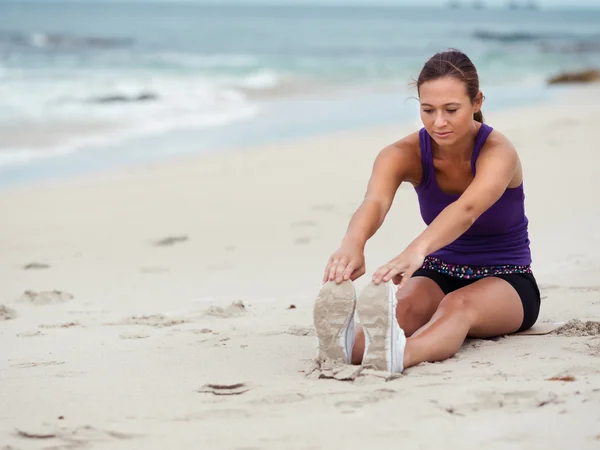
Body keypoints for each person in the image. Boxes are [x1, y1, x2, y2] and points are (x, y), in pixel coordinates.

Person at [313, 49, 541, 374]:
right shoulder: (402, 154)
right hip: (440, 270)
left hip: (507, 279)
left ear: (477, 102)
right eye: (428, 110)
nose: (439, 122)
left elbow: (467, 209)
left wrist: (415, 250)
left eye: (451, 110)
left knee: (457, 305)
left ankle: (399, 356)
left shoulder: (498, 152)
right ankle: (347, 346)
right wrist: (353, 243)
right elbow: (374, 202)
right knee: (403, 308)